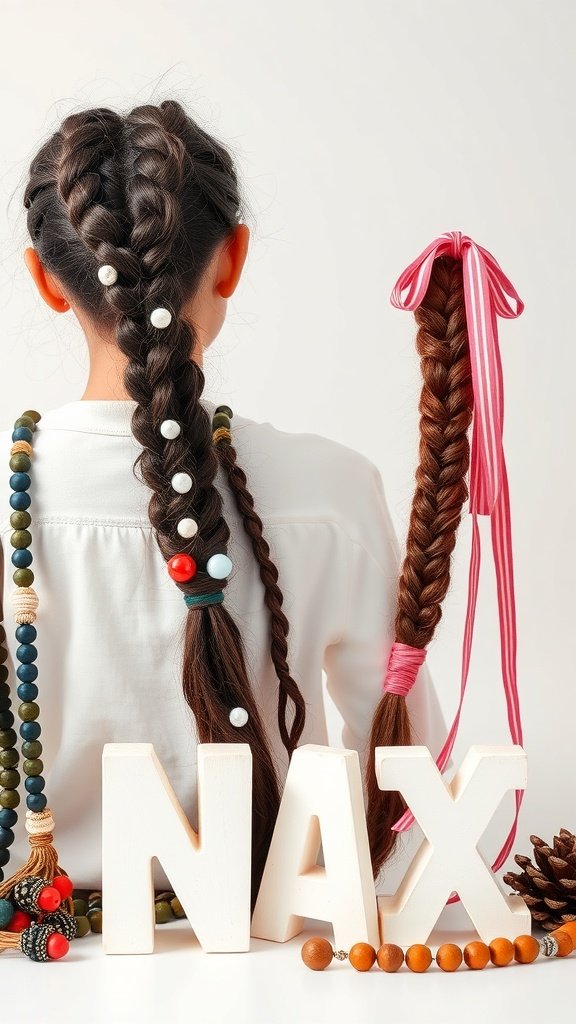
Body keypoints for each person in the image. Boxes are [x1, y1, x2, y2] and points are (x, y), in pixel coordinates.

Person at [0, 99, 448, 909]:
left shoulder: (14, 500)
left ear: (45, 281)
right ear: (232, 260)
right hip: (279, 938)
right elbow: (408, 771)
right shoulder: (333, 489)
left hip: (45, 939)